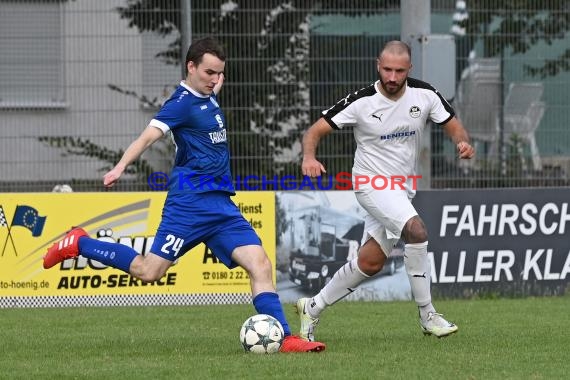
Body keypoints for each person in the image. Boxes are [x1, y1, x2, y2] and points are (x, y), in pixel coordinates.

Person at [42, 37, 325, 353]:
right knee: (148, 272)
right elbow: (148, 137)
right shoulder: (180, 104)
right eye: (208, 73)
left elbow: (214, 82)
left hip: (220, 204)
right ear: (190, 67)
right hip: (187, 205)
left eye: (219, 73)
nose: (215, 80)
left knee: (260, 264)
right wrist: (120, 166)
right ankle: (79, 242)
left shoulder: (208, 92)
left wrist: (215, 79)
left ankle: (285, 339)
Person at [296, 40, 475, 341]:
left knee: (370, 262)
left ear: (409, 69)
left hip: (401, 189)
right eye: (387, 69)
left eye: (399, 71)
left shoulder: (425, 94)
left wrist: (462, 142)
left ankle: (312, 307)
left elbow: (453, 124)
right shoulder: (362, 101)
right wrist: (309, 157)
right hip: (371, 183)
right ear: (378, 64)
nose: (392, 77)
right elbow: (315, 130)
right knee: (416, 231)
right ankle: (428, 314)